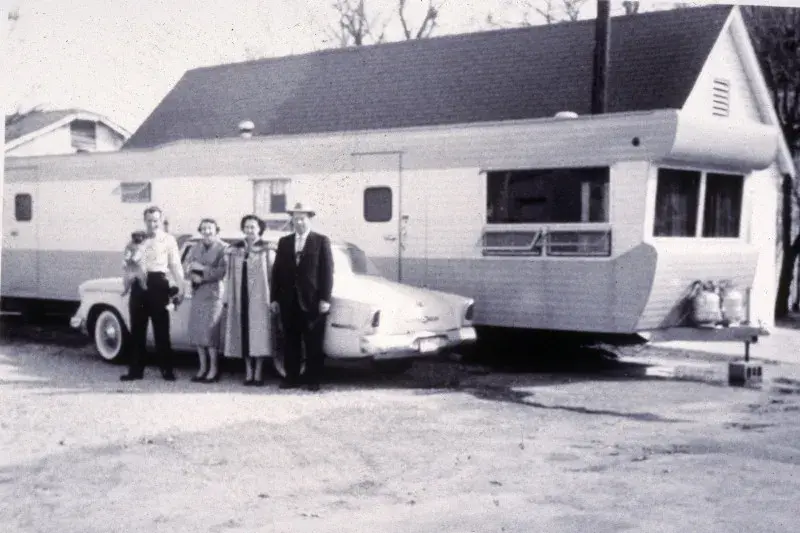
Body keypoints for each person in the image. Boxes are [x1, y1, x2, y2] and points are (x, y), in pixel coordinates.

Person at [270, 202, 334, 392]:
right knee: (291, 341)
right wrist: (274, 298)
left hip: (312, 301)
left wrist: (325, 299)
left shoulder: (321, 241)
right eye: (295, 219)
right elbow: (277, 272)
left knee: (313, 342)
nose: (299, 222)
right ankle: (292, 377)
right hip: (288, 301)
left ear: (310, 220)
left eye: (302, 219)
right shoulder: (284, 242)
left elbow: (327, 272)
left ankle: (313, 379)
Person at [121, 206, 185, 382]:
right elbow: (128, 263)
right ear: (145, 221)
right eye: (149, 220)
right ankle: (135, 370)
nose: (152, 224)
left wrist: (181, 286)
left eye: (156, 220)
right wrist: (126, 281)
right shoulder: (137, 238)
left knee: (161, 329)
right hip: (139, 285)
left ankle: (166, 370)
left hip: (159, 283)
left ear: (161, 220)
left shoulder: (168, 240)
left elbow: (175, 265)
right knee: (137, 329)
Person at [223, 214, 274, 386]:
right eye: (247, 227)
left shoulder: (267, 250)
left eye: (253, 227)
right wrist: (227, 297)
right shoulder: (234, 250)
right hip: (240, 296)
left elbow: (273, 275)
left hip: (260, 298)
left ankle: (258, 372)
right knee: (243, 332)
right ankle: (248, 371)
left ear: (259, 229)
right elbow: (228, 275)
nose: (250, 230)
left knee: (259, 334)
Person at [183, 218, 228, 383]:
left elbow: (222, 271)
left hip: (213, 293)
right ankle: (202, 368)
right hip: (197, 293)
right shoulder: (195, 247)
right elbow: (187, 266)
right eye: (204, 229)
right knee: (198, 333)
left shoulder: (223, 248)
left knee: (210, 333)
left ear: (216, 230)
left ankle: (214, 370)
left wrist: (202, 270)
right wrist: (191, 274)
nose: (207, 232)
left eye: (210, 229)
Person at [121, 230, 148, 297]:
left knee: (142, 281)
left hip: (140, 266)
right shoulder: (129, 244)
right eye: (135, 236)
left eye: (139, 236)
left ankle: (146, 292)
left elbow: (139, 254)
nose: (137, 237)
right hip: (130, 266)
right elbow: (127, 253)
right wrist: (126, 261)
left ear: (143, 237)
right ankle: (126, 290)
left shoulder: (143, 245)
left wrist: (133, 260)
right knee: (126, 279)